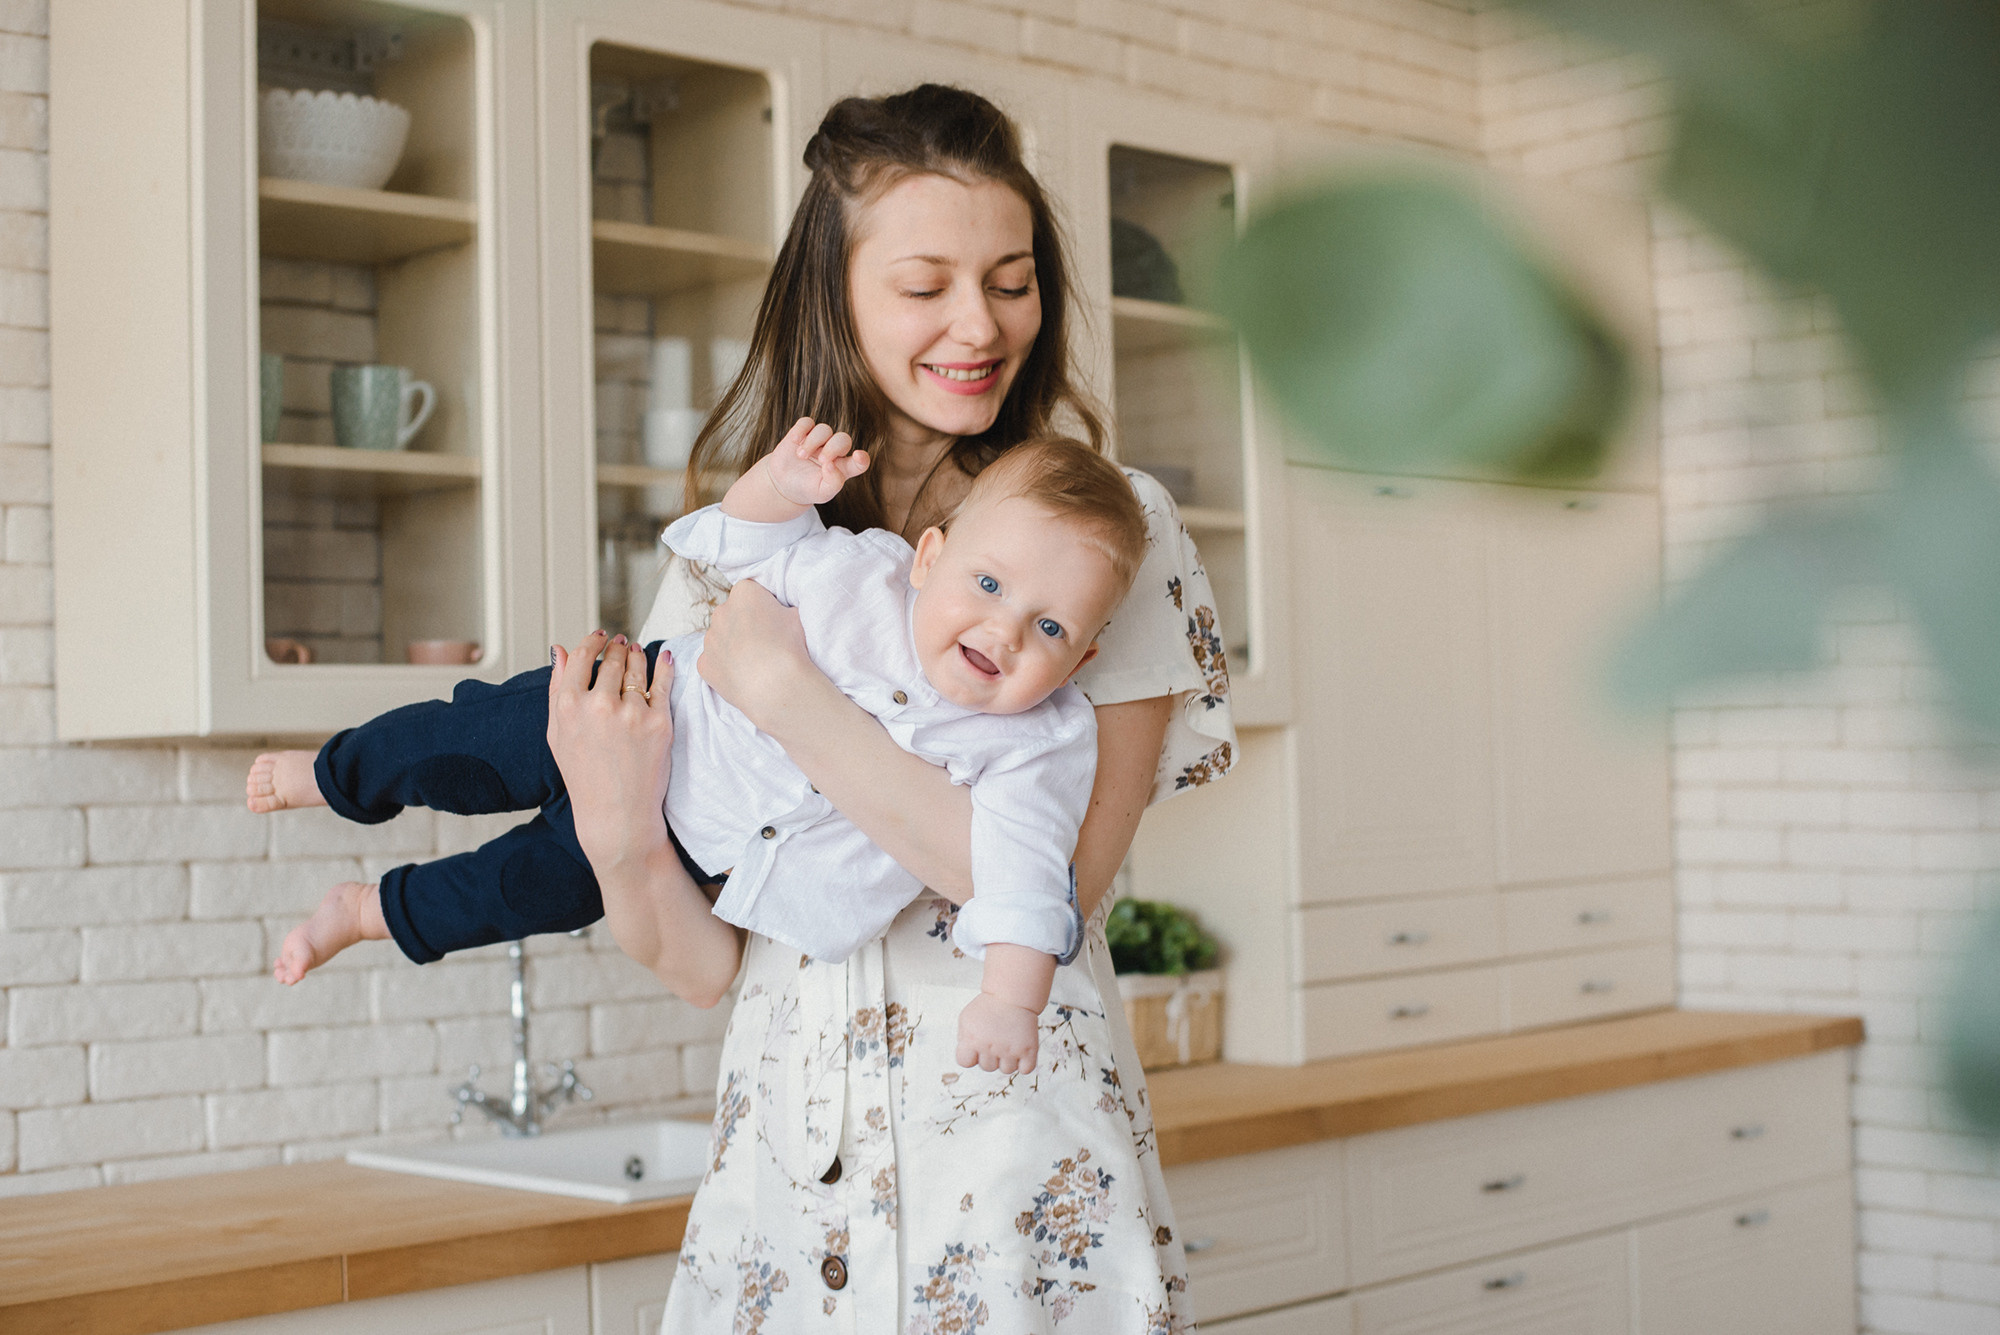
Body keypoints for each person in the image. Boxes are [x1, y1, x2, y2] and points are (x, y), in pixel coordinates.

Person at [546, 85, 1235, 1332]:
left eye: (1011, 281)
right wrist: (612, 828)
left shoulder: (1103, 536)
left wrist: (787, 699)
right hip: (783, 1192)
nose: (978, 323)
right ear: (836, 293)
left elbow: (1046, 891)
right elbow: (704, 964)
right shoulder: (738, 545)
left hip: (1013, 1181)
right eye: (925, 287)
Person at [245, 424, 1147, 1073]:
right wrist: (781, 483)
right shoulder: (857, 575)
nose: (1004, 629)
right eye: (987, 583)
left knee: (513, 893)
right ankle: (332, 776)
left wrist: (1010, 998)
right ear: (928, 558)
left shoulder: (1040, 739)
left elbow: (1029, 875)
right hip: (641, 705)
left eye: (1051, 625)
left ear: (1084, 656)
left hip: (690, 849)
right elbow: (747, 542)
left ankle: (367, 910)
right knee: (459, 742)